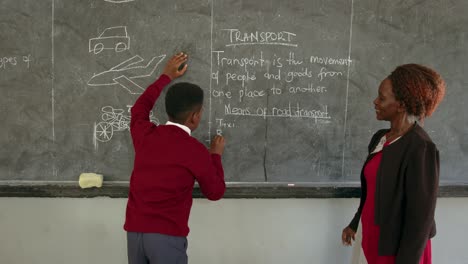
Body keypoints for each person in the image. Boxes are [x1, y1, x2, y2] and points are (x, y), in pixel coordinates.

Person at [124, 52, 226, 264]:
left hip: (134, 233)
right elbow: (215, 192)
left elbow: (138, 109)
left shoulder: (145, 134)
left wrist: (165, 77)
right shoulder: (195, 150)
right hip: (167, 238)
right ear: (195, 116)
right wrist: (215, 156)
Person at [342, 64, 446, 264]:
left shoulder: (420, 148)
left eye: (382, 98)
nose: (375, 101)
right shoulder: (380, 138)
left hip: (399, 250)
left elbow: (420, 221)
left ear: (401, 104)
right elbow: (371, 191)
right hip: (373, 237)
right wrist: (355, 223)